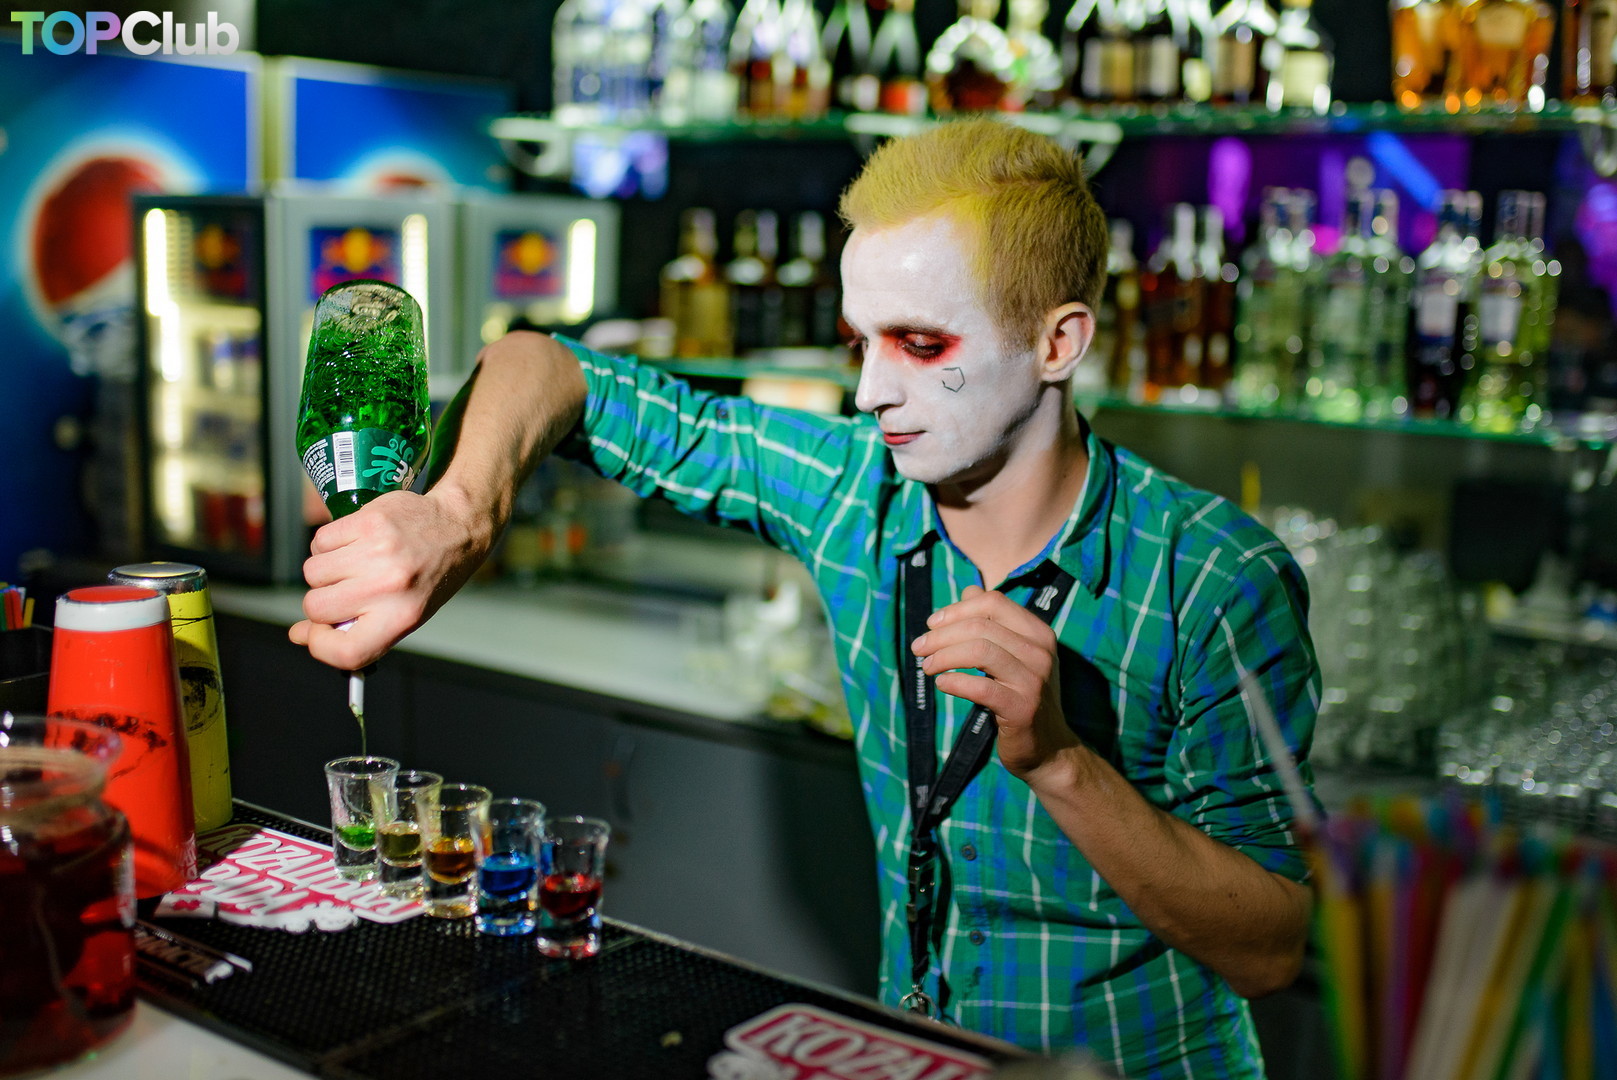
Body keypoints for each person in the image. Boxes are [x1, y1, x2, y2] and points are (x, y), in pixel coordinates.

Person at [292, 118, 1319, 1079]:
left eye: (921, 345)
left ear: (1058, 343)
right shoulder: (848, 489)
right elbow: (547, 367)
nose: (870, 391)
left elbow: (1271, 947)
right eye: (859, 342)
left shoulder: (1212, 578)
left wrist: (1060, 763)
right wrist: (458, 513)